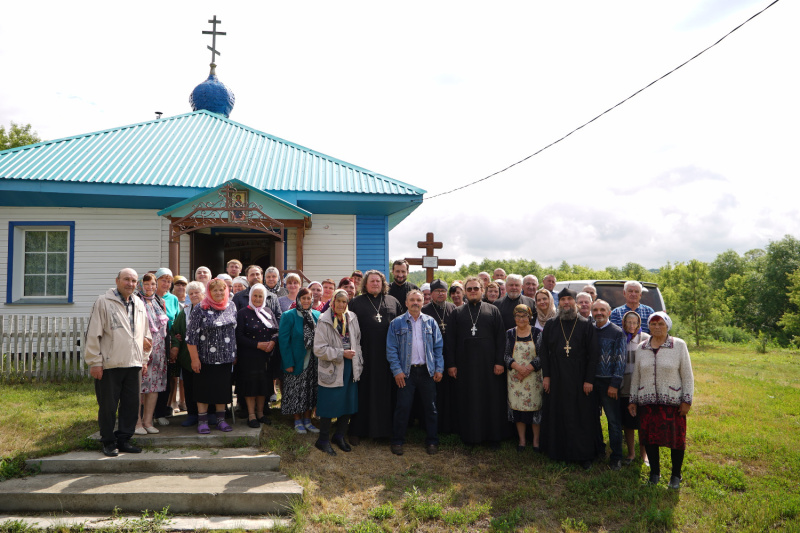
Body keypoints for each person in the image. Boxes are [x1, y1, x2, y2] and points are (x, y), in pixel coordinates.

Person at [84, 268, 152, 457]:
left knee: (131, 405)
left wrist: (144, 359)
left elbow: (146, 335)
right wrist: (94, 362)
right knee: (108, 406)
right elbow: (92, 334)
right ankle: (107, 441)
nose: (130, 283)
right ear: (117, 281)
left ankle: (124, 439)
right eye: (126, 279)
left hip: (134, 364)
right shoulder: (103, 302)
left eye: (133, 280)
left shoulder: (139, 303)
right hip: (109, 364)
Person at [629, 312, 694, 489]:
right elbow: (636, 376)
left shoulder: (678, 345)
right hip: (647, 401)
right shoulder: (642, 347)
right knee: (650, 439)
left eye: (660, 324)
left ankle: (675, 475)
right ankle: (654, 473)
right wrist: (633, 399)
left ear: (667, 326)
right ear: (648, 326)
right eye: (653, 324)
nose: (657, 327)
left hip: (672, 401)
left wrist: (687, 400)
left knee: (676, 439)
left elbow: (687, 376)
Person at [539, 288, 600, 469]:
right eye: (563, 299)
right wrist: (547, 376)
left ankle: (583, 454)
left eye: (569, 299)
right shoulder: (551, 325)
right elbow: (544, 352)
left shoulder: (585, 324)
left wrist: (589, 380)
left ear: (575, 302)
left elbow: (593, 354)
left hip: (580, 378)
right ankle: (559, 451)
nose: (566, 302)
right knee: (559, 413)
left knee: (581, 415)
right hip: (557, 376)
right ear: (559, 302)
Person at [445, 276, 506, 446]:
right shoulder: (457, 313)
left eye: (476, 289)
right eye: (469, 289)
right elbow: (450, 341)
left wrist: (499, 362)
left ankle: (492, 436)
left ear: (482, 290)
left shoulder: (493, 310)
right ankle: (470, 436)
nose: (473, 292)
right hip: (465, 366)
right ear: (465, 291)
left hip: (489, 366)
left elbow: (501, 339)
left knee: (490, 399)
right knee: (468, 399)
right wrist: (451, 364)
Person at [348, 270, 403, 443]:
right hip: (364, 356)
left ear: (383, 283)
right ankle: (358, 430)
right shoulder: (356, 302)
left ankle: (384, 431)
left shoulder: (393, 302)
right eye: (372, 281)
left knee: (386, 394)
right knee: (363, 392)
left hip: (387, 358)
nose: (375, 284)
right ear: (365, 284)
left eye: (378, 281)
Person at [387, 290, 444, 456]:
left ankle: (432, 441)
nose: (415, 303)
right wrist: (397, 371)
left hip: (427, 372)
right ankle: (397, 441)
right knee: (403, 407)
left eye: (418, 300)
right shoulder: (397, 323)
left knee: (431, 408)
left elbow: (438, 347)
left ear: (422, 302)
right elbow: (391, 349)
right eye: (412, 300)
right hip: (406, 373)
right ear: (406, 303)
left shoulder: (430, 322)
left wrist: (439, 368)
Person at [313, 289, 364, 455]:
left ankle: (339, 435)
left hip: (350, 366)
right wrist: (341, 353)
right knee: (329, 404)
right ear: (332, 301)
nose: (341, 305)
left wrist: (359, 362)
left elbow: (357, 342)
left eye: (344, 302)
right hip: (332, 367)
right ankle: (322, 440)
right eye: (338, 301)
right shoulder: (324, 320)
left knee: (348, 402)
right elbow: (319, 350)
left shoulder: (352, 318)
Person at [187, 278, 238, 434]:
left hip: (225, 358)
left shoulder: (231, 305)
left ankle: (221, 420)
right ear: (209, 292)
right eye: (215, 290)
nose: (218, 293)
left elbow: (234, 331)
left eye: (221, 290)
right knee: (203, 390)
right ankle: (202, 421)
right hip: (204, 359)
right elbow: (191, 337)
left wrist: (234, 353)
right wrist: (194, 359)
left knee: (222, 390)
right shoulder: (200, 308)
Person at [235, 283, 279, 428]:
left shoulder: (268, 311)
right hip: (249, 357)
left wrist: (272, 342)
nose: (258, 298)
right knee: (251, 387)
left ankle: (260, 413)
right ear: (250, 296)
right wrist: (257, 345)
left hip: (266, 357)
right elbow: (239, 336)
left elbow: (276, 331)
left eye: (261, 296)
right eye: (255, 295)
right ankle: (251, 415)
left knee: (263, 386)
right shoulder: (242, 313)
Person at [279, 287, 321, 434]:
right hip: (296, 360)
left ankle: (308, 420)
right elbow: (283, 341)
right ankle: (297, 420)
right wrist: (288, 362)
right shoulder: (288, 315)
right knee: (295, 390)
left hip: (313, 361)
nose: (306, 301)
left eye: (309, 298)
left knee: (310, 389)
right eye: (303, 298)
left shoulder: (317, 315)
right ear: (298, 299)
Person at [591, 299, 627, 470]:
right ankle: (598, 450)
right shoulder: (589, 330)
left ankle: (616, 456)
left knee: (613, 421)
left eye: (602, 310)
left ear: (609, 312)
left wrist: (615, 383)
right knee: (592, 420)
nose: (599, 313)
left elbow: (621, 360)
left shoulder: (617, 332)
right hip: (591, 382)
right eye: (595, 309)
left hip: (609, 383)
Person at [504, 304, 544, 452]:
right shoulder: (509, 333)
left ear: (529, 317)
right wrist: (518, 368)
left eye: (524, 316)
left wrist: (528, 369)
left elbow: (542, 355)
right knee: (518, 410)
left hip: (533, 378)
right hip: (515, 378)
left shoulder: (538, 333)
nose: (521, 319)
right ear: (514, 318)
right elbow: (506, 355)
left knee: (535, 410)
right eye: (518, 316)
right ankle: (521, 441)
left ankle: (536, 441)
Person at [134, 273, 169, 434]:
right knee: (139, 387)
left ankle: (148, 422)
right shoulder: (135, 301)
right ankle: (137, 423)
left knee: (154, 387)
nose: (150, 287)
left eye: (153, 284)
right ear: (141, 284)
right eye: (147, 284)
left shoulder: (159, 301)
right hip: (142, 351)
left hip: (159, 351)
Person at [423, 279, 457, 434]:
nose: (440, 294)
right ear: (431, 293)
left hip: (450, 357)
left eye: (443, 291)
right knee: (433, 395)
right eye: (437, 291)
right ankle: (432, 426)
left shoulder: (453, 309)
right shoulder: (425, 311)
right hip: (431, 358)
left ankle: (449, 425)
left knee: (449, 394)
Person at [171, 281, 204, 427]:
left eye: (197, 292)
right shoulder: (184, 312)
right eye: (191, 293)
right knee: (190, 386)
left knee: (204, 386)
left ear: (203, 294)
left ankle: (208, 414)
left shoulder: (209, 309)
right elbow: (175, 331)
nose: (194, 295)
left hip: (206, 356)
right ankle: (192, 415)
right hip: (187, 356)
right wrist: (176, 345)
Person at [620, 310, 650, 465]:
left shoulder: (645, 338)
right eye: (628, 322)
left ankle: (644, 454)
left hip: (641, 386)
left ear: (639, 324)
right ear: (624, 323)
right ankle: (631, 453)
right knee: (629, 422)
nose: (631, 325)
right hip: (625, 386)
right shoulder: (620, 337)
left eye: (634, 322)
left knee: (642, 422)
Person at [154, 268, 181, 421]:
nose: (166, 283)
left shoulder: (173, 299)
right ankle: (147, 413)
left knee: (166, 380)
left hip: (168, 343)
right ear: (156, 281)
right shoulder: (147, 298)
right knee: (151, 381)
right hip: (153, 344)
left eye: (169, 281)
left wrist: (175, 344)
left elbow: (176, 323)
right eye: (163, 280)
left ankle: (161, 412)